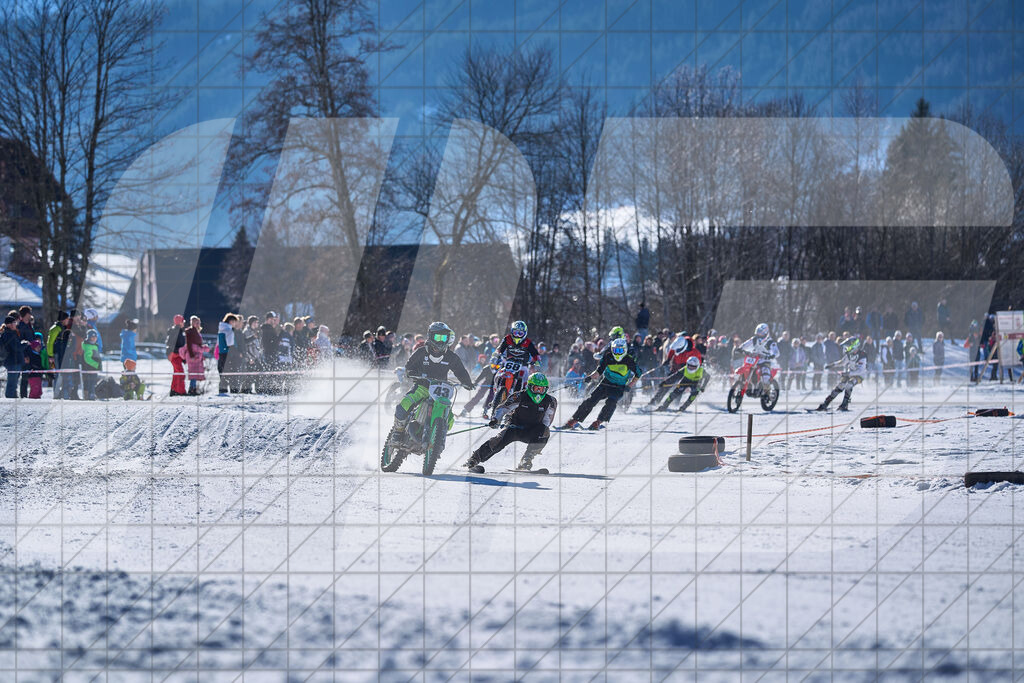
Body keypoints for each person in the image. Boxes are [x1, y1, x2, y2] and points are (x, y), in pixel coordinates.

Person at [387, 322, 474, 446]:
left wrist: (467, 382)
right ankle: (398, 431)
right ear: (431, 336)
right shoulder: (422, 352)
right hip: (422, 386)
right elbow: (410, 366)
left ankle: (438, 435)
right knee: (403, 405)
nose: (440, 341)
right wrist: (411, 373)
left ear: (448, 339)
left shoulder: (451, 356)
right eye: (437, 337)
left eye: (443, 337)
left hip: (441, 389)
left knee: (449, 418)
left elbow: (460, 371)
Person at [465, 372, 556, 473]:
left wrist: (540, 431)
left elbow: (547, 420)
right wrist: (496, 419)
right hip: (515, 427)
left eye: (542, 389)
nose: (539, 392)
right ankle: (474, 459)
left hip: (532, 431)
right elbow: (503, 408)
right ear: (530, 387)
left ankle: (526, 460)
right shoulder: (519, 396)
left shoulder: (550, 401)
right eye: (536, 388)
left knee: (544, 431)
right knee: (498, 441)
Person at [562, 337, 638, 430]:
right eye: (615, 350)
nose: (617, 353)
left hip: (619, 387)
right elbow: (599, 371)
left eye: (620, 350)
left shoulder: (628, 360)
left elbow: (638, 374)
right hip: (606, 383)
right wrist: (590, 377)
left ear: (624, 350)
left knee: (611, 403)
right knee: (590, 400)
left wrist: (629, 385)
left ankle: (597, 422)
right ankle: (572, 421)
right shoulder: (608, 356)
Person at [489, 320, 540, 415]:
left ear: (524, 333)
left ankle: (519, 398)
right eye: (516, 332)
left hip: (522, 364)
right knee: (498, 373)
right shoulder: (507, 339)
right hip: (508, 361)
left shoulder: (528, 342)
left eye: (520, 333)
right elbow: (499, 349)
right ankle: (497, 395)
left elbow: (535, 353)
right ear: (512, 332)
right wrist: (495, 356)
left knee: (524, 377)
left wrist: (536, 360)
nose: (517, 335)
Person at [815, 337, 868, 412]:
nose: (846, 349)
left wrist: (848, 373)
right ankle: (825, 404)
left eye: (847, 347)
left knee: (849, 384)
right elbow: (842, 362)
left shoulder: (862, 355)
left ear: (853, 346)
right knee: (840, 386)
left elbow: (860, 370)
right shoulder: (849, 354)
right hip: (850, 373)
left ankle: (844, 405)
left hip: (859, 375)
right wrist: (832, 365)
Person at [739, 323, 780, 395]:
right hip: (754, 360)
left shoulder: (770, 342)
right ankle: (741, 385)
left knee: (765, 377)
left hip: (764, 361)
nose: (759, 334)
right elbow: (745, 344)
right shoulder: (754, 339)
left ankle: (768, 393)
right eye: (758, 331)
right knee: (745, 369)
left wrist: (770, 356)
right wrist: (740, 348)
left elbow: (776, 352)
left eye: (761, 332)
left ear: (766, 332)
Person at [183, 316, 209, 395]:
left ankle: (193, 389)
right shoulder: (190, 331)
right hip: (193, 356)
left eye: (199, 323)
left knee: (195, 373)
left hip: (197, 355)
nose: (198, 324)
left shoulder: (197, 332)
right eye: (196, 323)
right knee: (193, 374)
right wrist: (191, 355)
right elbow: (189, 344)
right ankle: (192, 390)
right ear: (192, 323)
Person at [1, 315, 25, 398]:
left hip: (15, 361)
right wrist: (25, 344)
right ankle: (9, 399)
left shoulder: (11, 333)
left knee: (14, 384)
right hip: (12, 362)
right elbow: (16, 347)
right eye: (14, 322)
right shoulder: (8, 334)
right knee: (12, 383)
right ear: (9, 325)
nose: (16, 324)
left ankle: (13, 398)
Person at [165, 314, 187, 396]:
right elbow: (172, 344)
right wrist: (177, 351)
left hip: (176, 355)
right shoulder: (176, 331)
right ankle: (181, 391)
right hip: (174, 355)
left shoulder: (178, 331)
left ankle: (174, 390)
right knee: (180, 373)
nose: (183, 323)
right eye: (182, 322)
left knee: (177, 373)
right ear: (179, 322)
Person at [217, 314, 239, 395]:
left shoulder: (220, 329)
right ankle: (233, 390)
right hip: (228, 355)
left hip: (221, 354)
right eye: (234, 322)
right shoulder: (229, 331)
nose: (235, 324)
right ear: (230, 321)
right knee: (231, 373)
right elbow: (230, 344)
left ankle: (222, 390)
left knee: (223, 373)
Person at [81, 328, 102, 400]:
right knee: (90, 381)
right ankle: (90, 394)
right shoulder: (88, 346)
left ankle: (90, 393)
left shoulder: (95, 345)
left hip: (93, 368)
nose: (94, 339)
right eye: (92, 337)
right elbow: (87, 358)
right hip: (89, 367)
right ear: (89, 337)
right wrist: (96, 364)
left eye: (95, 337)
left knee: (93, 381)